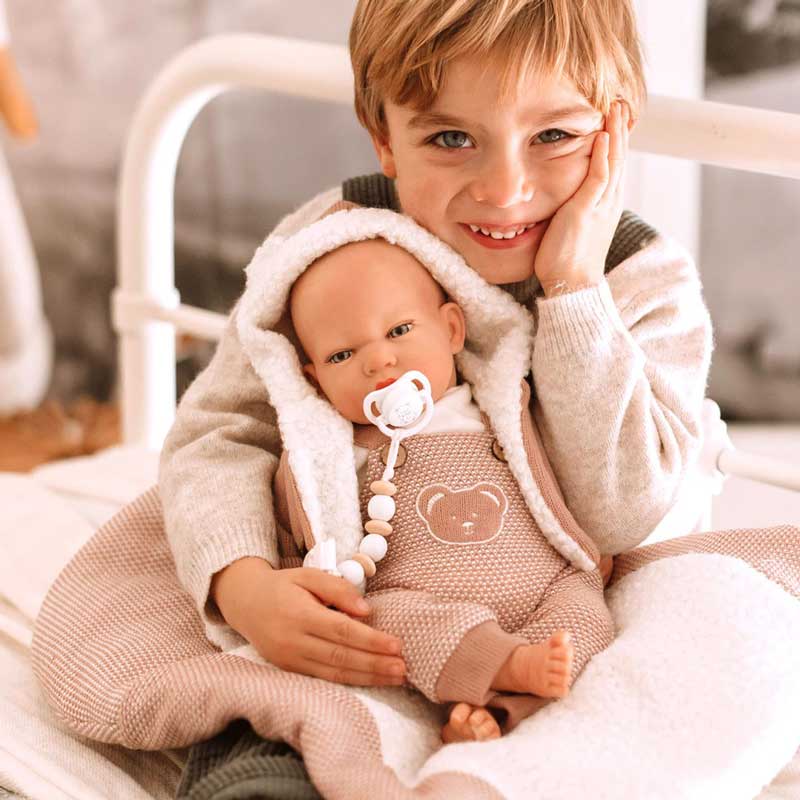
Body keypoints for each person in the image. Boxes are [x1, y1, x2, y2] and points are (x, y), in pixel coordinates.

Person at [160, 0, 711, 745]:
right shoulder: (334, 246)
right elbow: (221, 432)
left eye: (554, 136)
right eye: (452, 138)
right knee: (249, 720)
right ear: (385, 138)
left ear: (618, 128)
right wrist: (245, 585)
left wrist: (574, 289)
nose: (505, 190)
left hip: (554, 613)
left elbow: (618, 515)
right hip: (366, 609)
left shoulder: (644, 284)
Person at [269, 206, 615, 741]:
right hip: (418, 599)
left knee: (587, 617)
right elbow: (297, 533)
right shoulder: (333, 450)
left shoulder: (500, 406)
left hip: (543, 584)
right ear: (314, 381)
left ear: (452, 329)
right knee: (381, 625)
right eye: (341, 355)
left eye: (399, 330)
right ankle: (504, 670)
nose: (378, 361)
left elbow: (560, 473)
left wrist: (585, 542)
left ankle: (502, 709)